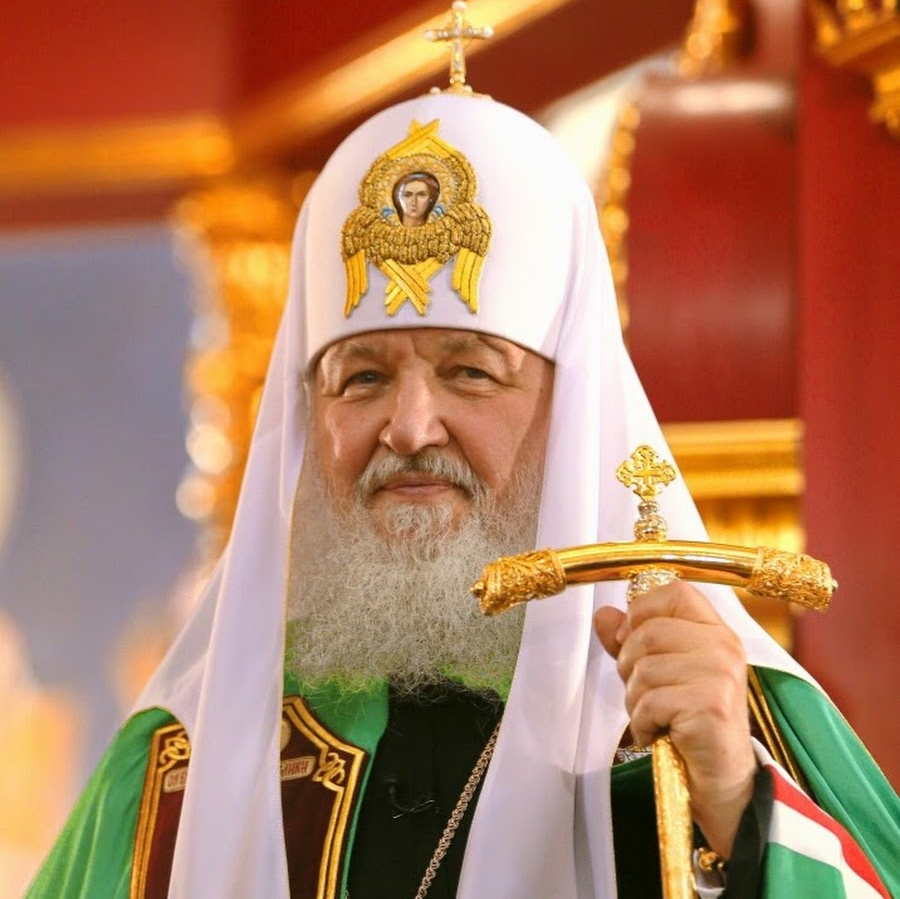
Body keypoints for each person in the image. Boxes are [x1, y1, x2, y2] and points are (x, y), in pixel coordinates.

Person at [27, 89, 898, 899]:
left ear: (569, 415)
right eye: (362, 378)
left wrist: (735, 807)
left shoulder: (724, 726)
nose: (409, 427)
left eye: (471, 373)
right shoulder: (181, 762)